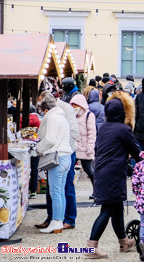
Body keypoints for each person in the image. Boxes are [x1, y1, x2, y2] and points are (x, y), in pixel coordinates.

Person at [86, 91, 141, 258]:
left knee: (116, 208)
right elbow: (137, 152)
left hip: (102, 171)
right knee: (107, 209)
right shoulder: (124, 129)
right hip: (114, 175)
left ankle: (124, 242)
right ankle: (91, 247)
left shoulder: (103, 127)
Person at [34, 91, 79, 232]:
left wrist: (37, 148)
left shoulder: (53, 117)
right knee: (59, 192)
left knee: (55, 193)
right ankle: (58, 221)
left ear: (46, 109)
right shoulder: (61, 116)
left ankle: (56, 222)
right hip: (65, 156)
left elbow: (50, 139)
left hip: (57, 157)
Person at [69, 94, 97, 199]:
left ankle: (96, 191)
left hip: (85, 148)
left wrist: (90, 148)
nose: (74, 107)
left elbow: (92, 133)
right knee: (69, 170)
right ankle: (70, 191)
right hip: (73, 147)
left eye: (76, 104)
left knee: (89, 170)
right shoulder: (71, 115)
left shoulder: (89, 115)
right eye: (72, 104)